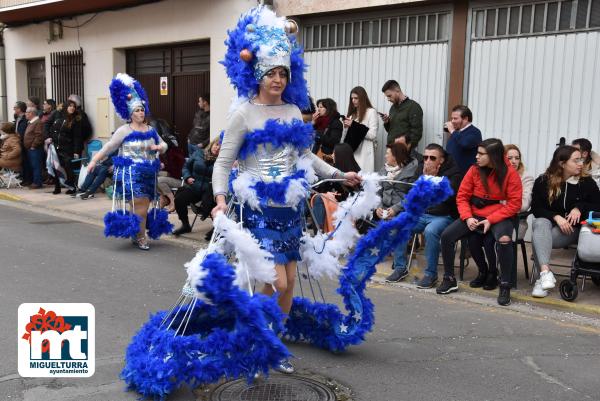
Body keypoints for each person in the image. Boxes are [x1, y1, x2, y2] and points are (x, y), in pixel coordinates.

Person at [213, 6, 361, 374]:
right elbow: (222, 162)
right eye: (271, 73)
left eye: (283, 73)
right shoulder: (243, 113)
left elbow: (306, 156)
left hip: (289, 209)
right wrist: (219, 200)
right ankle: (255, 334)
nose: (277, 79)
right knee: (272, 279)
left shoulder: (294, 112)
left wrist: (341, 175)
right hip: (259, 206)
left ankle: (273, 343)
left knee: (289, 281)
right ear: (258, 74)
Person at [87, 73, 169, 250]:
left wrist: (159, 148)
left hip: (149, 173)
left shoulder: (151, 129)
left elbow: (164, 144)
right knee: (140, 205)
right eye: (137, 111)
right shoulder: (124, 130)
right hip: (131, 174)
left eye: (141, 110)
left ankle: (135, 232)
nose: (140, 113)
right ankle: (141, 237)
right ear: (130, 114)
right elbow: (109, 147)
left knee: (141, 206)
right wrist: (94, 160)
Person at [436, 138, 522, 306]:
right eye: (477, 153)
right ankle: (449, 279)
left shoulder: (510, 173)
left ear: (494, 156)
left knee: (504, 240)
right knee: (447, 236)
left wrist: (491, 219)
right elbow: (462, 197)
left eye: (481, 154)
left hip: (499, 215)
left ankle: (505, 285)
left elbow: (514, 204)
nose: (476, 157)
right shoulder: (474, 170)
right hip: (474, 214)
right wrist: (467, 217)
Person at [530, 146, 600, 298]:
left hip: (571, 230)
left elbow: (598, 205)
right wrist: (556, 216)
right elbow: (536, 208)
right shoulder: (543, 181)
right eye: (576, 160)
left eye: (581, 159)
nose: (581, 163)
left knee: (538, 236)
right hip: (547, 227)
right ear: (562, 164)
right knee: (540, 223)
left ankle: (542, 279)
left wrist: (579, 208)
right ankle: (544, 274)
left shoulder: (586, 182)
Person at [387, 144, 461, 288]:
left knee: (431, 231)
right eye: (425, 157)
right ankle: (400, 268)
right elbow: (413, 194)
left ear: (441, 160)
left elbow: (448, 197)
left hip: (444, 215)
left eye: (432, 158)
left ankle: (431, 274)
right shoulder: (421, 169)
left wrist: (432, 179)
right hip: (421, 213)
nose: (427, 161)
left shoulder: (454, 173)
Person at [376, 142, 420, 282]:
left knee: (397, 227)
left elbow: (413, 196)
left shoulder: (412, 171)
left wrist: (395, 209)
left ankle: (401, 268)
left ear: (395, 157)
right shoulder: (384, 170)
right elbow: (378, 192)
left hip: (405, 209)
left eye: (387, 154)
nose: (385, 156)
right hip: (386, 209)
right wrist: (378, 207)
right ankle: (395, 257)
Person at [172, 137, 221, 236]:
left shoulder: (222, 161)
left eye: (221, 148)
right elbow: (186, 167)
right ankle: (185, 225)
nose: (217, 148)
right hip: (194, 186)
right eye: (216, 145)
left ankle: (216, 229)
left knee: (214, 204)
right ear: (212, 144)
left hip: (210, 190)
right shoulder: (199, 153)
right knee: (179, 199)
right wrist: (187, 177)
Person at [311, 143, 361, 232]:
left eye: (334, 153)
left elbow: (353, 196)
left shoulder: (352, 174)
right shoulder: (336, 171)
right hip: (331, 206)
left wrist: (332, 195)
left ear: (340, 155)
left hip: (343, 208)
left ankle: (318, 233)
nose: (332, 155)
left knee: (319, 198)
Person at [47, 99, 84, 194]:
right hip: (55, 145)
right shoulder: (57, 115)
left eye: (74, 106)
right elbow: (47, 124)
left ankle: (71, 187)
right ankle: (57, 186)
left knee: (68, 166)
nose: (72, 108)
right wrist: (48, 137)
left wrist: (76, 151)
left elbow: (77, 137)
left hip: (68, 147)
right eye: (70, 106)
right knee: (55, 166)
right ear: (66, 107)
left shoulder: (76, 119)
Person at [342, 86, 378, 173]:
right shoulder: (352, 115)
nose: (353, 101)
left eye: (356, 98)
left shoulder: (371, 112)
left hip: (364, 152)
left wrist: (354, 125)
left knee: (363, 179)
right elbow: (345, 138)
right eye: (352, 98)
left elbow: (373, 135)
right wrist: (346, 128)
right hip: (352, 152)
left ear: (362, 98)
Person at [381, 80, 423, 147]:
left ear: (397, 90)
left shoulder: (413, 106)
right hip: (391, 148)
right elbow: (390, 131)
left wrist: (406, 147)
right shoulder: (393, 108)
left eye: (389, 96)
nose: (388, 99)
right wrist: (387, 122)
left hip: (404, 151)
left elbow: (417, 134)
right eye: (387, 97)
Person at [505, 144, 534, 239]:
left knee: (501, 236)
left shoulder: (526, 178)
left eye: (517, 158)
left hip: (516, 221)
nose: (514, 161)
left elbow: (524, 205)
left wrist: (500, 205)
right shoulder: (495, 176)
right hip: (495, 219)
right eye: (509, 158)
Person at [444, 105, 482, 175]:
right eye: (452, 118)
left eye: (455, 118)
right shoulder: (457, 132)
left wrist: (452, 131)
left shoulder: (474, 132)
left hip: (465, 175)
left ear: (465, 119)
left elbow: (465, 143)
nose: (452, 121)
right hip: (452, 173)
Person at [23, 107, 44, 189]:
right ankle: (35, 181)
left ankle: (37, 183)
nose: (25, 114)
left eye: (27, 112)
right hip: (30, 148)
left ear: (31, 113)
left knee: (36, 165)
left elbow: (39, 136)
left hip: (35, 149)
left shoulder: (37, 122)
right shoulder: (31, 122)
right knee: (33, 165)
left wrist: (33, 146)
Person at [14, 101, 29, 184]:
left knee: (26, 162)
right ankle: (23, 178)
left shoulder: (25, 118)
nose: (14, 109)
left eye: (15, 108)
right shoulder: (17, 118)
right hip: (18, 142)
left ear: (19, 109)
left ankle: (27, 179)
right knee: (22, 162)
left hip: (24, 142)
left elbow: (23, 131)